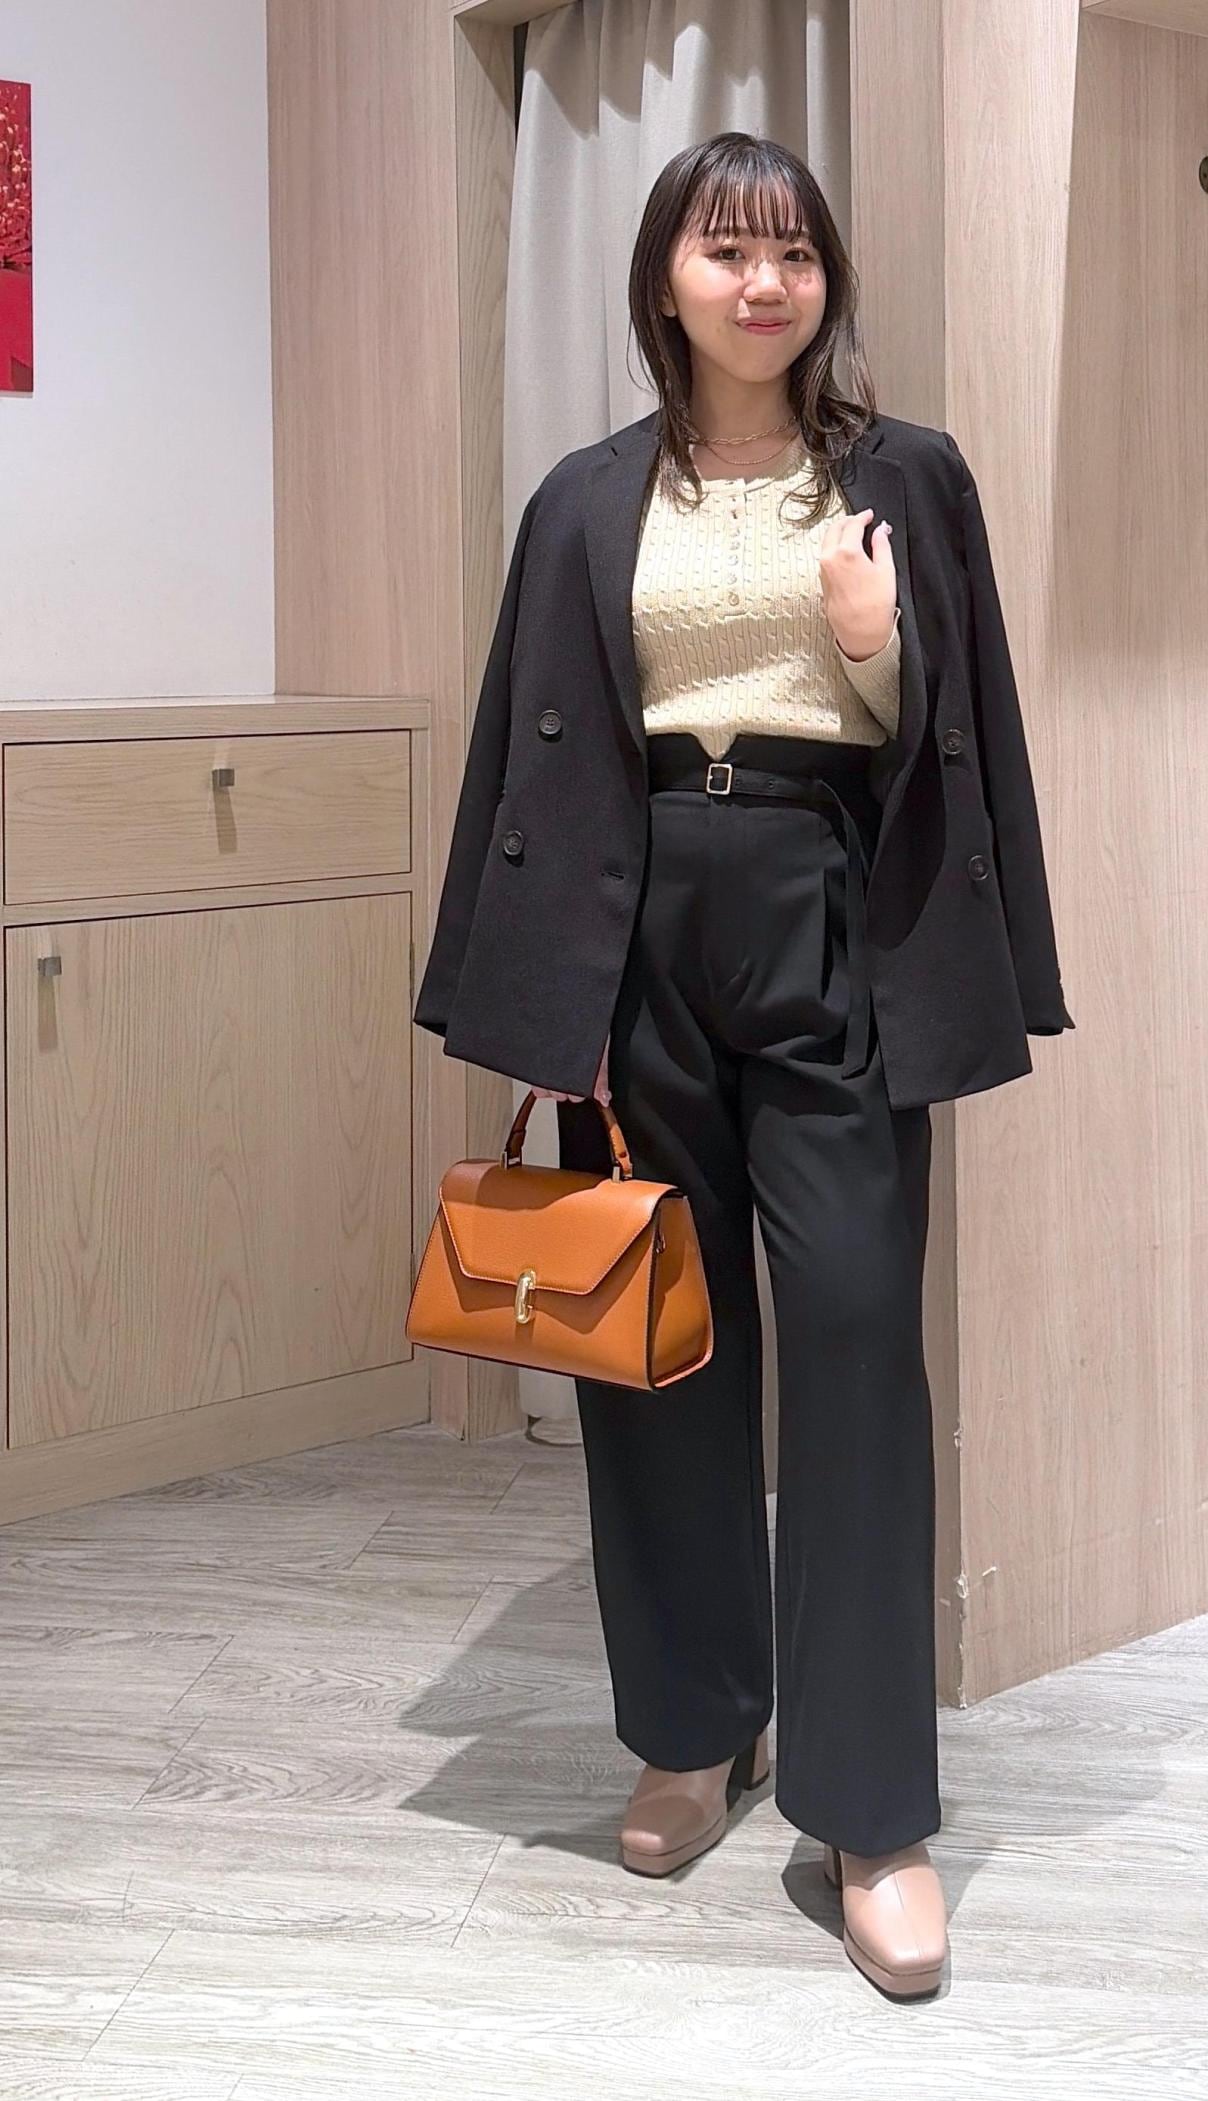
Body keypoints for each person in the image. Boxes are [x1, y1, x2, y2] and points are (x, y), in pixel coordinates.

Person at [414, 130, 1074, 2001]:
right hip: (635, 917)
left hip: (825, 899)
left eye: (792, 252)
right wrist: (526, 992)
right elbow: (526, 742)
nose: (763, 283)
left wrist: (880, 647)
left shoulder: (904, 477)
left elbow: (961, 732)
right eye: (726, 250)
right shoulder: (583, 497)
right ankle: (698, 1725)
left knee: (856, 1332)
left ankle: (871, 1810)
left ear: (825, 278)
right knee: (660, 1338)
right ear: (667, 278)